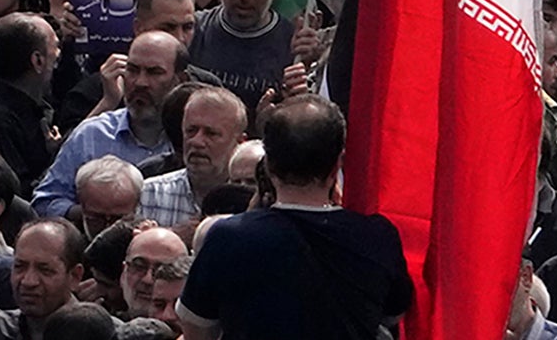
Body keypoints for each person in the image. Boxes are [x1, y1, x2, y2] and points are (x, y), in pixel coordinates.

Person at [173, 96, 411, 340]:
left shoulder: (229, 237)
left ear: (268, 166)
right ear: (337, 163)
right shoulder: (377, 237)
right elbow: (393, 315)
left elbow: (197, 328)